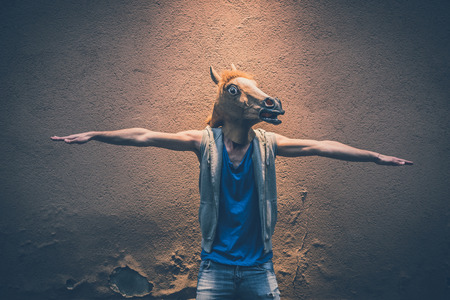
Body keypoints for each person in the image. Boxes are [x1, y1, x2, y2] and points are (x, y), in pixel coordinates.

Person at [52, 65, 413, 299]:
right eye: (238, 92)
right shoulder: (202, 142)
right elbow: (144, 135)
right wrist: (96, 134)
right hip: (215, 268)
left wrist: (374, 156)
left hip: (260, 268)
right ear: (226, 104)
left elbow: (322, 146)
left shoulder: (270, 145)